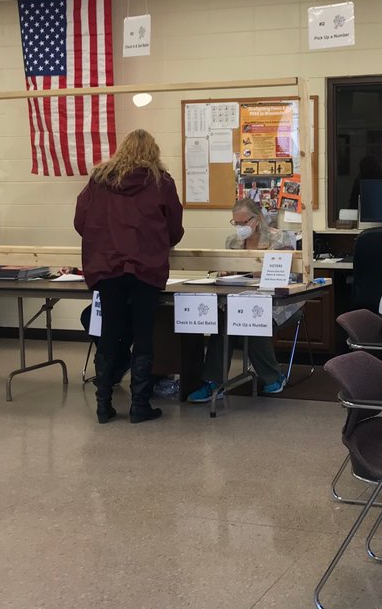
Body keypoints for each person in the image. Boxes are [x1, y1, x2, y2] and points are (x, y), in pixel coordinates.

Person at [75, 129, 184, 425]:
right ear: (154, 152)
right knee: (143, 333)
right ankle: (139, 405)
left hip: (107, 267)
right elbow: (175, 229)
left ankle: (103, 405)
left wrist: (106, 242)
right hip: (146, 267)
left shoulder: (98, 181)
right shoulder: (161, 182)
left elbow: (80, 221)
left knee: (109, 331)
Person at [187, 198, 296, 403]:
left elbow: (287, 275)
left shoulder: (278, 239)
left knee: (247, 319)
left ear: (258, 219)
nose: (240, 228)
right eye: (236, 223)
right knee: (226, 319)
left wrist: (259, 273)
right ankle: (214, 382)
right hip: (240, 300)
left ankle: (272, 375)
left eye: (244, 222)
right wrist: (225, 271)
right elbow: (228, 270)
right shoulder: (232, 242)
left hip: (281, 303)